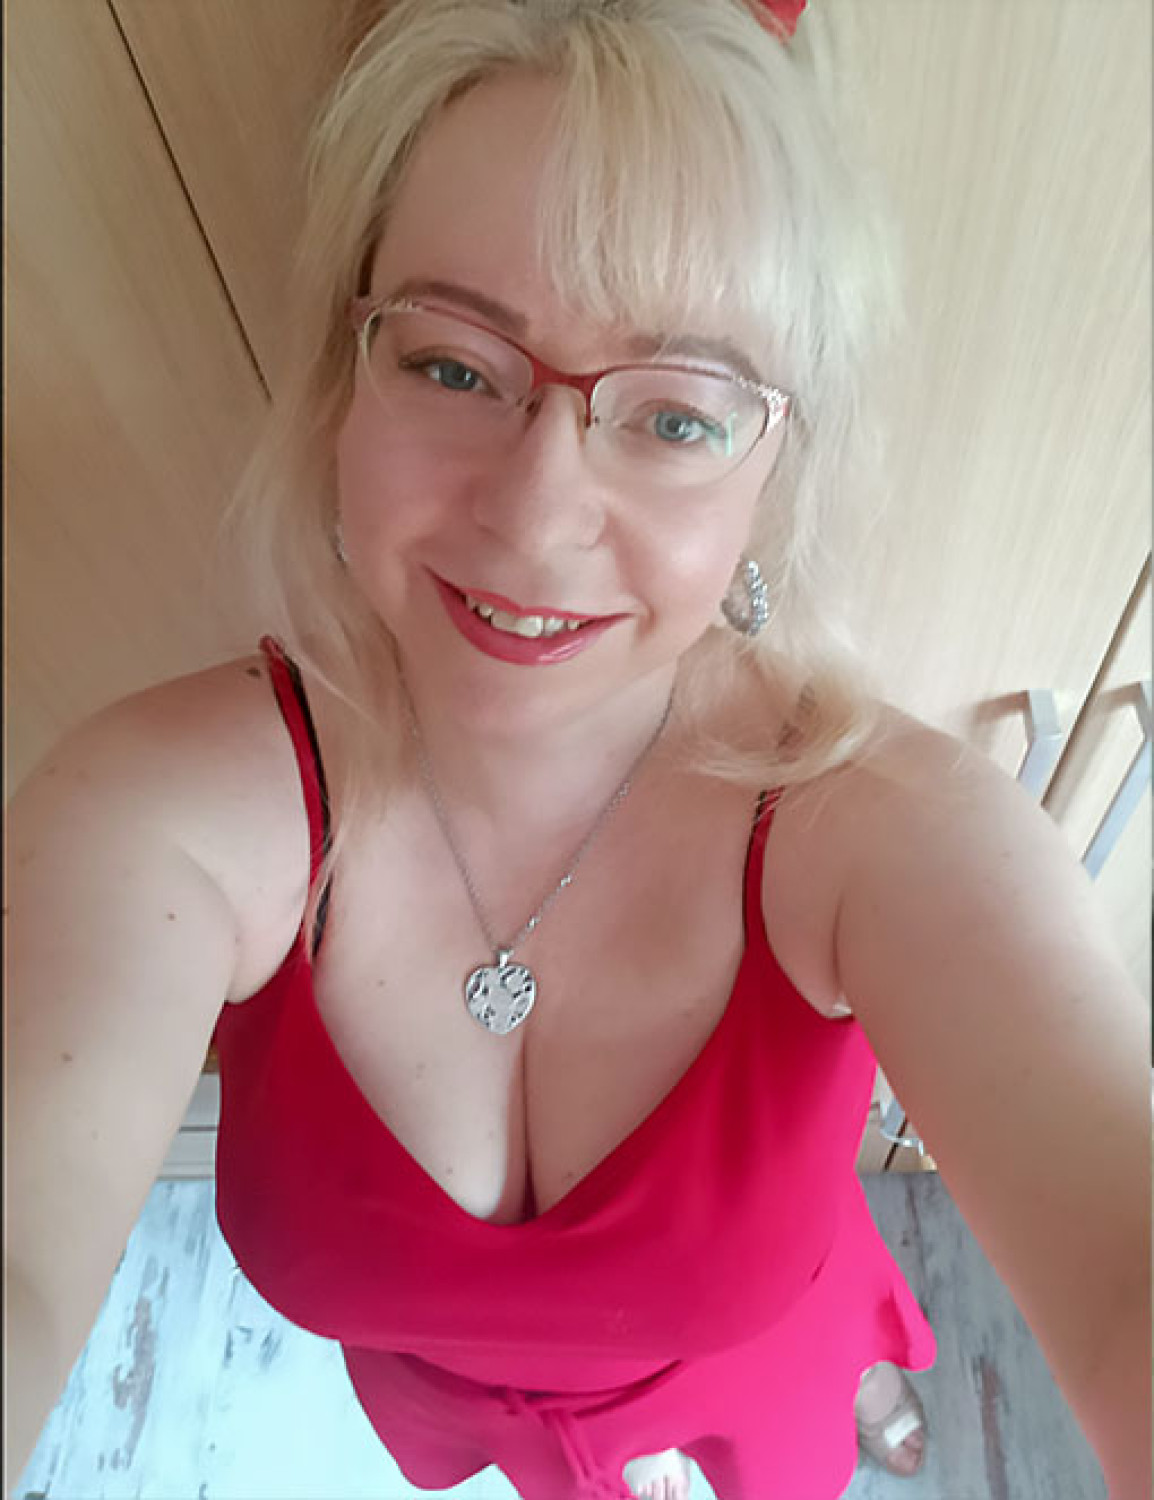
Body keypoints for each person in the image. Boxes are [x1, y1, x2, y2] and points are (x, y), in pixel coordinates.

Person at [6, 1, 1149, 1497]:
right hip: (442, 1393)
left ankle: (861, 1380)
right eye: (453, 367)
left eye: (675, 418)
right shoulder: (162, 815)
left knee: (812, 1401)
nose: (536, 518)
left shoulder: (872, 829)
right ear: (346, 375)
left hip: (753, 1357)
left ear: (774, 470)